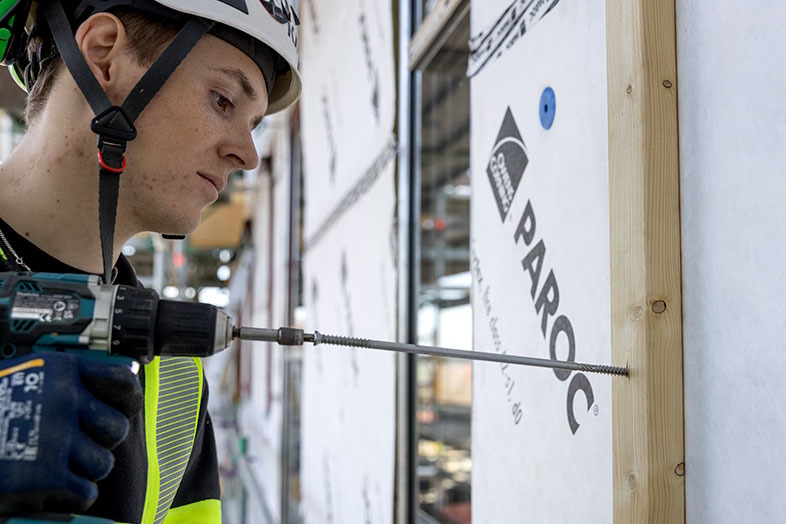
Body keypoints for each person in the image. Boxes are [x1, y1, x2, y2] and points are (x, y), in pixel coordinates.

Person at [0, 0, 300, 522]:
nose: (248, 155)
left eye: (253, 124)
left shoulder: (176, 375)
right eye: (223, 99)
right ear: (105, 57)